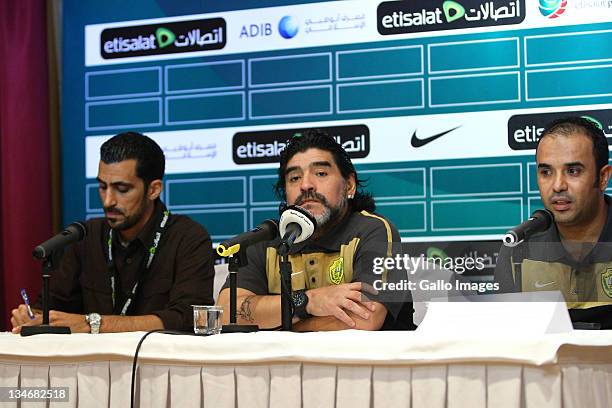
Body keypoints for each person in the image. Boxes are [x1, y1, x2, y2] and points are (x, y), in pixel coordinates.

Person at [11, 132, 215, 333]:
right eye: (102, 187)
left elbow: (188, 318)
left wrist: (94, 324)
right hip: (90, 365)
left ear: (153, 190)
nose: (108, 201)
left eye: (122, 189)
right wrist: (33, 317)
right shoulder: (87, 235)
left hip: (159, 363)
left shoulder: (188, 238)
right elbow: (52, 307)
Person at [217, 129, 408, 331]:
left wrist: (280, 325)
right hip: (282, 362)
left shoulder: (373, 230)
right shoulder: (266, 239)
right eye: (294, 178)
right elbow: (225, 312)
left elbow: (365, 318)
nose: (306, 185)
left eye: (321, 173)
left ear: (349, 185)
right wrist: (307, 301)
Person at [495, 116, 612, 329]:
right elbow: (506, 340)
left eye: (573, 171)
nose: (558, 185)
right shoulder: (518, 250)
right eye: (546, 172)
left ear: (603, 177)